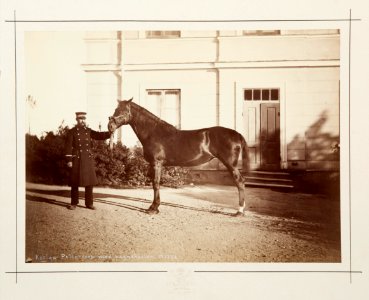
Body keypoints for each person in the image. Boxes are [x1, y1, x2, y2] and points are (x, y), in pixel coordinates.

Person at [65, 112, 111, 210]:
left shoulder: (88, 131)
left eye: (84, 119)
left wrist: (109, 133)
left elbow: (98, 136)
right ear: (76, 120)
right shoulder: (72, 132)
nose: (83, 121)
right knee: (74, 182)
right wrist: (69, 160)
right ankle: (74, 203)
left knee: (89, 182)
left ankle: (89, 203)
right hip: (76, 158)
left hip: (87, 158)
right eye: (80, 119)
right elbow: (68, 146)